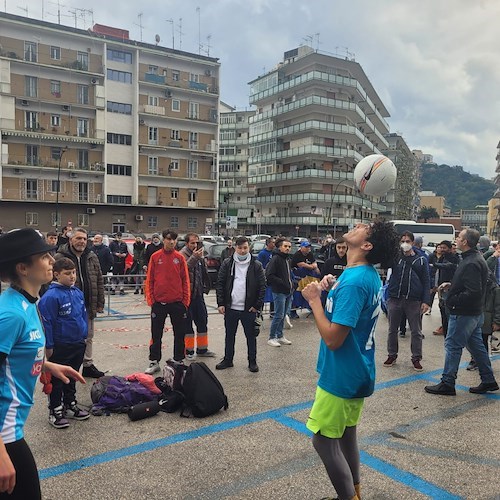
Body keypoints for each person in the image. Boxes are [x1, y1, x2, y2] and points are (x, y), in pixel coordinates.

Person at [301, 221, 399, 500]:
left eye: (363, 227)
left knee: (322, 440)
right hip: (358, 370)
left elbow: (333, 338)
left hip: (341, 374)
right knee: (346, 435)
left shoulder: (354, 282)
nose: (357, 225)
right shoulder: (363, 274)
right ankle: (354, 492)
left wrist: (314, 301)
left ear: (366, 245)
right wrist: (330, 288)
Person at [0, 228, 85, 499]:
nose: (51, 260)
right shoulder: (11, 314)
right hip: (5, 432)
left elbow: (15, 352)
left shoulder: (27, 303)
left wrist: (47, 365)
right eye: (43, 256)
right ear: (23, 268)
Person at [424, 229, 499, 396]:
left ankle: (447, 382)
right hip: (474, 312)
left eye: (458, 237)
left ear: (465, 242)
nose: (456, 240)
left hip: (464, 312)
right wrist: (453, 285)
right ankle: (488, 380)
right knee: (477, 346)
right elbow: (474, 285)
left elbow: (473, 291)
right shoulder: (473, 258)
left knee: (453, 345)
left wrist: (452, 298)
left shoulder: (471, 262)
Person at [38, 258, 90, 429]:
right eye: (67, 273)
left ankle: (70, 403)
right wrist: (50, 346)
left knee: (73, 376)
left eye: (74, 272)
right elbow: (48, 323)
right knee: (57, 379)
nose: (72, 276)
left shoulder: (77, 292)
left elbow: (83, 316)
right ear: (56, 274)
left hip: (77, 343)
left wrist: (84, 335)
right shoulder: (51, 297)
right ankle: (55, 410)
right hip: (61, 345)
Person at [55, 228, 105, 378]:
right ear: (71, 240)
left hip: (88, 304)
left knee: (88, 336)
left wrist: (100, 301)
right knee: (71, 338)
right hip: (69, 306)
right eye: (78, 238)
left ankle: (88, 364)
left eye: (84, 238)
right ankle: (69, 367)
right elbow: (52, 280)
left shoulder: (91, 256)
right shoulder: (60, 257)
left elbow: (99, 279)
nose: (82, 241)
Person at [215, 236, 266, 373]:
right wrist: (221, 303)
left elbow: (262, 286)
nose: (242, 251)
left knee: (251, 336)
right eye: (240, 248)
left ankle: (252, 361)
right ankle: (228, 359)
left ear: (249, 247)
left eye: (245, 248)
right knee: (229, 335)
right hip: (231, 308)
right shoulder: (228, 263)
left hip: (249, 309)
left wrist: (257, 305)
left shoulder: (256, 265)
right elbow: (220, 283)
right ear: (235, 248)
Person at [144, 229, 190, 373]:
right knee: (156, 334)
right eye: (169, 239)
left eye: (174, 240)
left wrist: (185, 301)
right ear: (163, 240)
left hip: (177, 303)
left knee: (179, 333)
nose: (171, 242)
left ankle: (178, 359)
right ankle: (154, 361)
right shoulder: (155, 257)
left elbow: (185, 280)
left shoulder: (180, 258)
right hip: (159, 304)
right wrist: (151, 300)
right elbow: (150, 279)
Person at [384, 231, 431, 371]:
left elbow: (426, 280)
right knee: (392, 329)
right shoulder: (394, 257)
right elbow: (384, 264)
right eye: (402, 240)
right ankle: (392, 355)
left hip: (413, 300)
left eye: (408, 241)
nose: (405, 243)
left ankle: (416, 358)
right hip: (395, 298)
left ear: (413, 243)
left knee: (416, 331)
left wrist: (426, 301)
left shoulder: (421, 259)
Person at [179, 233, 216, 359]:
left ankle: (202, 349)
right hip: (187, 297)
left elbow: (202, 273)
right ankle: (188, 351)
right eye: (192, 243)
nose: (195, 245)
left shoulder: (199, 255)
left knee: (202, 321)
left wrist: (207, 286)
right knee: (187, 325)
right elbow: (183, 270)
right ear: (186, 244)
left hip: (198, 295)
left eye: (197, 242)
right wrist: (194, 257)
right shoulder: (182, 255)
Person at [265, 238, 294, 347]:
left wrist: (292, 283)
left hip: (288, 291)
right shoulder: (276, 259)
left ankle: (280, 335)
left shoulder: (287, 259)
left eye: (289, 247)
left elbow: (288, 274)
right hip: (279, 291)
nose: (288, 248)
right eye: (285, 246)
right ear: (279, 247)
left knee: (283, 315)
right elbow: (269, 275)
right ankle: (272, 337)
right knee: (278, 315)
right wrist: (282, 282)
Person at [431, 241, 459, 336]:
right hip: (441, 289)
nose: (442, 250)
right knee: (442, 310)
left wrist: (435, 264)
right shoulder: (442, 258)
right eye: (441, 247)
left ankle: (450, 333)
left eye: (444, 248)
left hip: (449, 288)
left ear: (450, 249)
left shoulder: (453, 258)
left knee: (448, 312)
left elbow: (449, 266)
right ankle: (445, 331)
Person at [257, 237, 276, 319]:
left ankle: (272, 313)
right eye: (273, 242)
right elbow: (259, 265)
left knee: (273, 296)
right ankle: (259, 313)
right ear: (268, 244)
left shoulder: (275, 253)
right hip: (264, 278)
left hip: (273, 278)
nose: (274, 244)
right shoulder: (262, 253)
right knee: (263, 296)